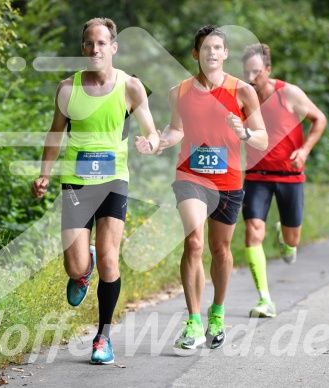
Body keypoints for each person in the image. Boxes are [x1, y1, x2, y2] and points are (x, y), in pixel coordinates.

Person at [31, 17, 159, 364]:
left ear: (113, 47)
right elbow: (55, 134)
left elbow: (153, 131)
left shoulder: (131, 87)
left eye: (102, 43)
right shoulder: (67, 89)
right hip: (75, 182)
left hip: (114, 181)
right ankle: (82, 272)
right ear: (82, 48)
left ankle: (103, 337)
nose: (95, 49)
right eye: (89, 43)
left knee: (109, 258)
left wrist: (150, 142)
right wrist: (44, 174)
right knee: (76, 267)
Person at [157, 26, 268, 350]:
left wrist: (244, 132)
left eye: (218, 47)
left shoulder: (242, 91)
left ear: (225, 54)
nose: (212, 53)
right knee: (193, 242)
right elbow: (176, 129)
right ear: (196, 54)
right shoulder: (179, 91)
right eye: (206, 48)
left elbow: (262, 137)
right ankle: (193, 321)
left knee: (220, 250)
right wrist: (161, 141)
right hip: (191, 176)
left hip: (229, 180)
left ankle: (216, 313)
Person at [241, 43, 327, 318]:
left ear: (268, 70)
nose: (251, 78)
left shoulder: (287, 94)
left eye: (256, 72)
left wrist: (304, 150)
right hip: (256, 175)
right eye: (247, 73)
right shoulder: (242, 96)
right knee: (253, 230)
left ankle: (285, 238)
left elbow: (319, 119)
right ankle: (265, 299)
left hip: (290, 176)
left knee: (292, 242)